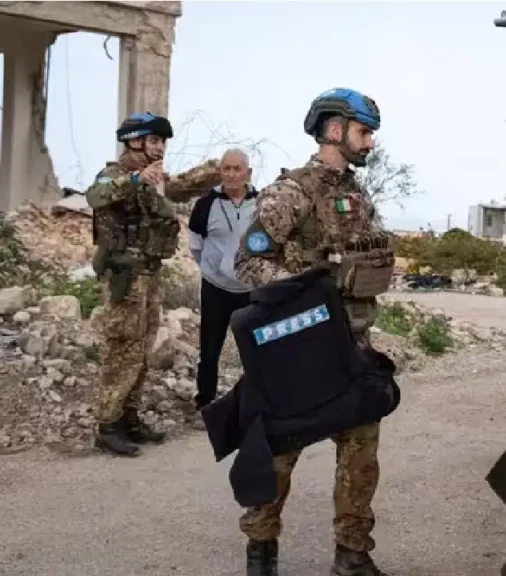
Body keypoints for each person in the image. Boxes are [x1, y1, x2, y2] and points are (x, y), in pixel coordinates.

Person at [233, 88, 394, 576]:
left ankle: (352, 554)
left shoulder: (355, 194)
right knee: (282, 450)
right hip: (303, 349)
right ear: (334, 129)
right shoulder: (293, 193)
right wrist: (306, 295)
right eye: (364, 132)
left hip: (353, 346)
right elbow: (248, 260)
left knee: (361, 452)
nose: (370, 143)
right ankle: (261, 548)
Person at [86, 112, 222, 458]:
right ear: (135, 141)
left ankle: (129, 418)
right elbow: (95, 196)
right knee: (122, 348)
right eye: (155, 141)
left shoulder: (155, 178)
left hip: (149, 274)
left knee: (143, 347)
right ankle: (108, 424)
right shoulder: (113, 176)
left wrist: (215, 170)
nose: (161, 148)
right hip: (124, 277)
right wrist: (135, 180)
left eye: (162, 142)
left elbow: (177, 188)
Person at [188, 148, 258, 410]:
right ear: (220, 172)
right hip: (215, 289)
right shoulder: (206, 204)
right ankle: (205, 400)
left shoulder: (262, 203)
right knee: (209, 348)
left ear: (247, 173)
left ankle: (256, 399)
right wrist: (214, 268)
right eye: (226, 169)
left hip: (250, 290)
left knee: (254, 348)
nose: (231, 174)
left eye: (236, 169)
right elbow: (195, 246)